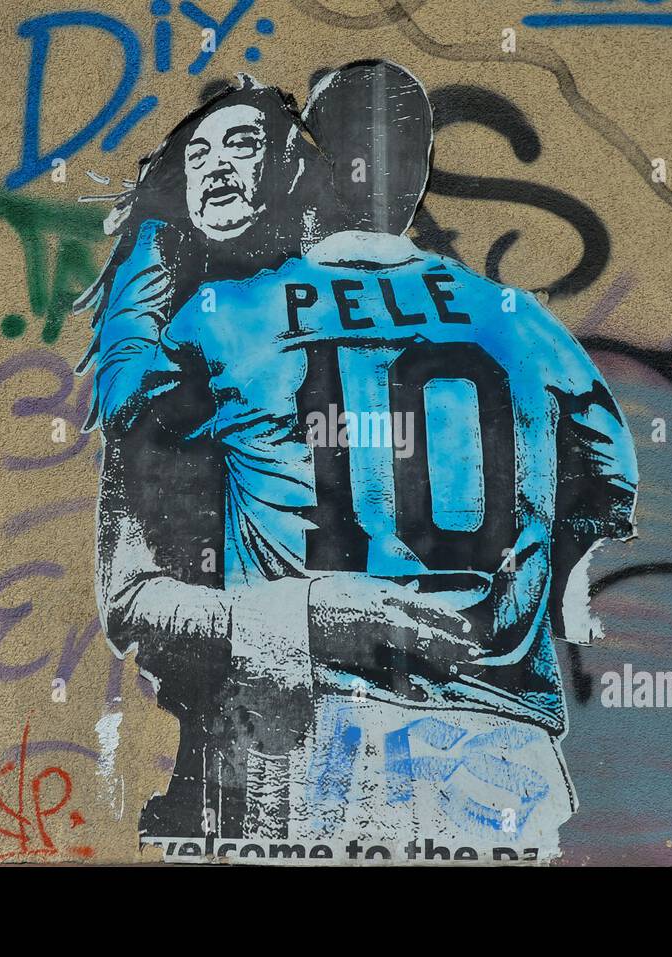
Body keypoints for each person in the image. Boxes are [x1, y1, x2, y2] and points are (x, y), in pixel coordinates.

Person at [124, 61, 639, 855]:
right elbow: (608, 474)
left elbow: (140, 549)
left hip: (299, 729)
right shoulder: (518, 320)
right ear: (422, 172)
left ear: (307, 166)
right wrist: (553, 586)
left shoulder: (221, 316)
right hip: (496, 737)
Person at [79, 72, 472, 840]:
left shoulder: (384, 312)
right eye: (196, 155)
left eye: (243, 143)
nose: (217, 166)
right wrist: (303, 616)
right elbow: (128, 599)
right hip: (253, 760)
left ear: (292, 167)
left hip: (440, 745)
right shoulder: (161, 378)